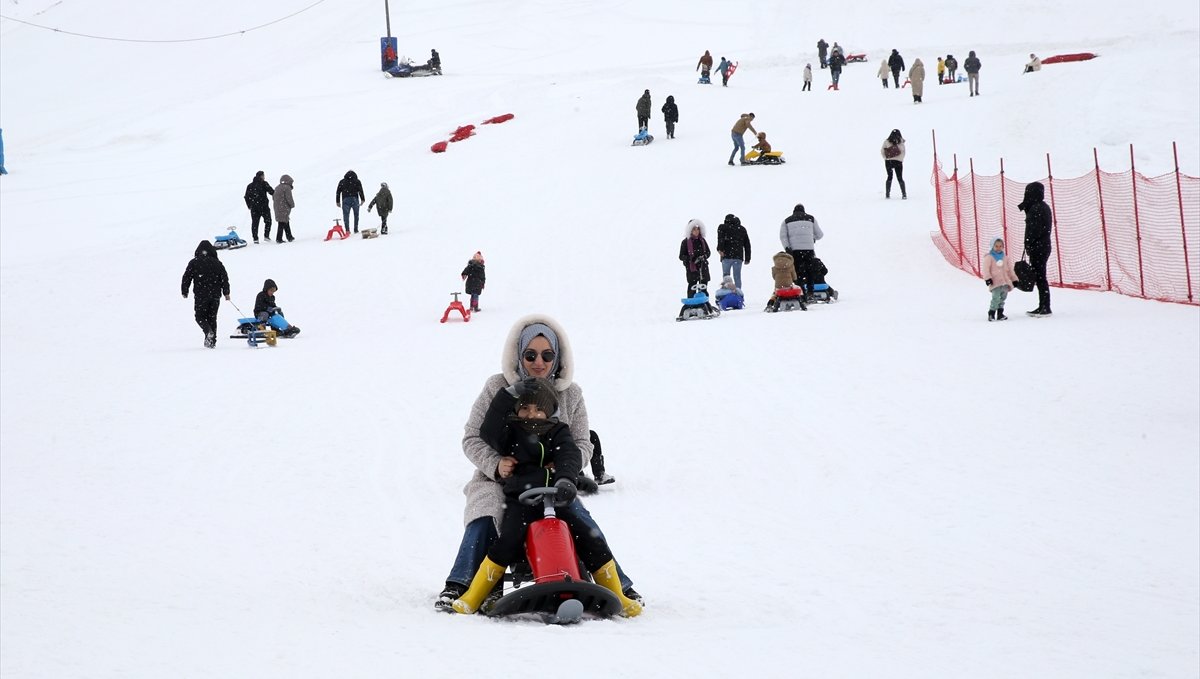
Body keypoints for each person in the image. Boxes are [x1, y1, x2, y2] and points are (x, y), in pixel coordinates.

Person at [434, 315, 640, 612]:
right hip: (499, 480)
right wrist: (496, 464)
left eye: (547, 355)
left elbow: (582, 443)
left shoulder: (571, 393)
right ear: (519, 355)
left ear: (558, 357)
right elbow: (474, 437)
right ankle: (462, 584)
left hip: (551, 481)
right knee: (487, 510)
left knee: (580, 518)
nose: (539, 362)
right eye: (530, 355)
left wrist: (564, 470)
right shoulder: (498, 387)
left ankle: (619, 586)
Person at [180, 240, 230, 348]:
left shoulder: (194, 262)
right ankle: (212, 342)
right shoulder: (218, 263)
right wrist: (226, 292)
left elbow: (186, 277)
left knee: (200, 316)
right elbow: (224, 278)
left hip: (201, 295)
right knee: (212, 318)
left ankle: (208, 331)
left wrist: (185, 290)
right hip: (215, 295)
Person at [1019, 182, 1053, 316]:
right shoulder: (1043, 207)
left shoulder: (1036, 208)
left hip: (1039, 248)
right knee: (1040, 277)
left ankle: (1045, 307)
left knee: (1040, 277)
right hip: (1042, 246)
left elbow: (1033, 230)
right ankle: (1043, 305)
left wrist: (1029, 244)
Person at [779, 204, 824, 299]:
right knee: (810, 271)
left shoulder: (786, 221)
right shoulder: (811, 219)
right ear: (804, 211)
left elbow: (783, 236)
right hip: (809, 249)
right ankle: (811, 292)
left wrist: (787, 247)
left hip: (795, 250)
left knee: (798, 272)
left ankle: (801, 292)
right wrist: (812, 238)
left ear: (793, 211)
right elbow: (820, 235)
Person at [982, 238, 1017, 322]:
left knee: (1003, 298)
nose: (998, 248)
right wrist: (988, 278)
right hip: (995, 282)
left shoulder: (1005, 258)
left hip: (1005, 282)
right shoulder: (989, 257)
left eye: (1000, 246)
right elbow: (986, 269)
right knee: (996, 298)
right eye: (996, 246)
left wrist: (1014, 279)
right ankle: (991, 313)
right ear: (992, 246)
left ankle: (1000, 313)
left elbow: (1010, 269)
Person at [716, 213, 752, 291]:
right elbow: (747, 244)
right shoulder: (742, 229)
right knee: (737, 277)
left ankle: (726, 293)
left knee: (726, 276)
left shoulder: (723, 227)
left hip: (726, 256)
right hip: (738, 257)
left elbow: (720, 239)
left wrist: (720, 249)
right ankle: (738, 294)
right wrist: (747, 258)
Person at [679, 219, 712, 297]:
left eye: (698, 229)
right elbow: (681, 256)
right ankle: (691, 304)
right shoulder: (685, 242)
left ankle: (704, 303)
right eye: (694, 229)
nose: (696, 231)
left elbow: (708, 252)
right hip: (691, 268)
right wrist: (691, 259)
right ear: (690, 230)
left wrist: (704, 257)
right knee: (692, 287)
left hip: (703, 267)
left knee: (703, 287)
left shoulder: (702, 240)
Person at [243, 170, 274, 244]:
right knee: (268, 221)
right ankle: (266, 236)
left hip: (254, 208)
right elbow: (272, 192)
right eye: (263, 176)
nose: (264, 177)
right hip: (264, 207)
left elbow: (246, 197)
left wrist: (249, 205)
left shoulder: (250, 185)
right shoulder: (264, 184)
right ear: (261, 176)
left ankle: (255, 238)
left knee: (255, 223)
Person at [881, 129, 907, 200]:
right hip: (898, 162)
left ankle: (887, 194)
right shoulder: (901, 142)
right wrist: (900, 160)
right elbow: (903, 152)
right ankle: (904, 194)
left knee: (889, 177)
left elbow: (882, 150)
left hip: (889, 161)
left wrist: (886, 158)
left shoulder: (887, 141)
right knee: (900, 178)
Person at [272, 174, 295, 243]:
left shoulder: (277, 187)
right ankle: (279, 238)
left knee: (285, 221)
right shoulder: (287, 187)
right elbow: (289, 198)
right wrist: (292, 205)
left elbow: (273, 197)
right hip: (284, 207)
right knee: (282, 223)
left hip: (277, 207)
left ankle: (289, 236)